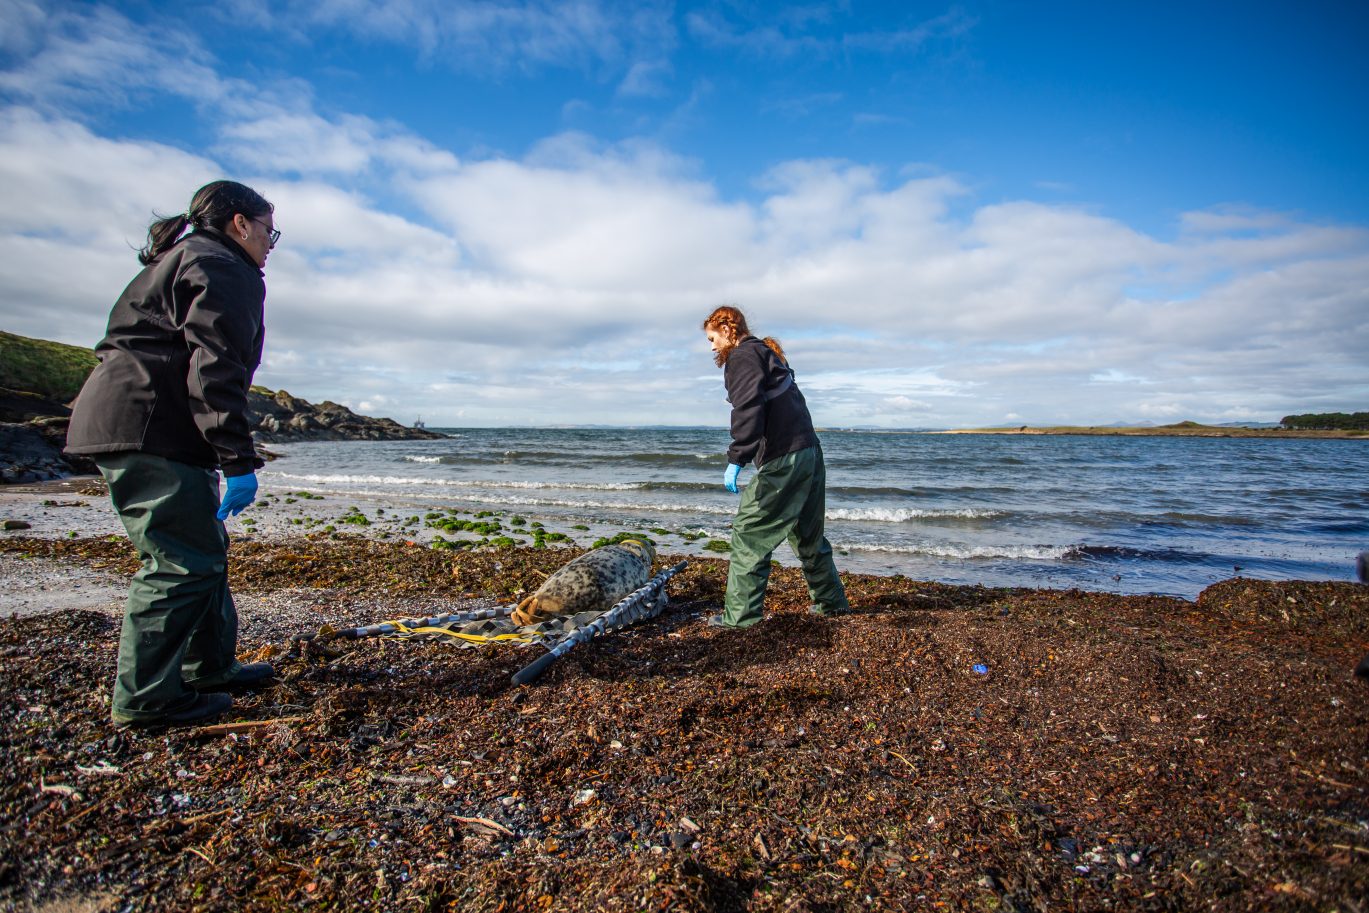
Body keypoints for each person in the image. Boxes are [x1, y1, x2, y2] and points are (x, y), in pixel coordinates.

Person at [66, 180, 279, 728]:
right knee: (180, 562)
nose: (270, 243)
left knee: (201, 549)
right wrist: (237, 458)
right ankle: (147, 699)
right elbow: (214, 368)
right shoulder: (222, 265)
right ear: (239, 223)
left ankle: (209, 666)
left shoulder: (186, 258)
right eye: (268, 230)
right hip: (150, 428)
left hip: (146, 426)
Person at [701, 305, 849, 628]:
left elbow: (747, 409)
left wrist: (736, 458)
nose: (711, 346)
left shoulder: (741, 357)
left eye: (712, 338)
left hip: (785, 458)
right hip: (810, 452)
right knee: (808, 537)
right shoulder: (767, 354)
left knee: (749, 532)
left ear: (728, 330)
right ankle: (832, 605)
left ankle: (740, 620)